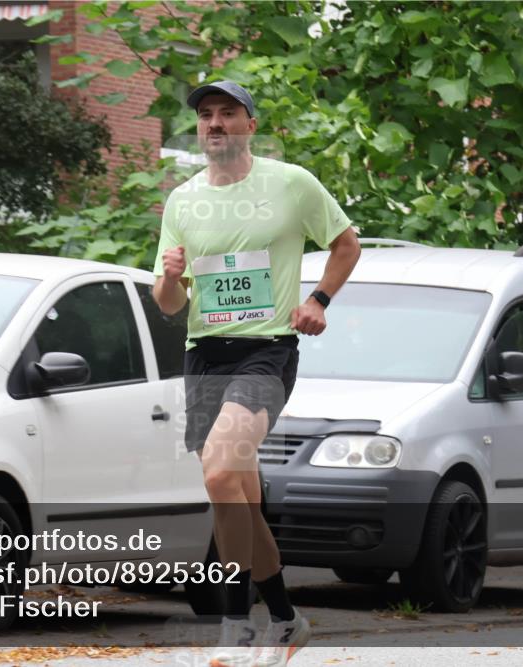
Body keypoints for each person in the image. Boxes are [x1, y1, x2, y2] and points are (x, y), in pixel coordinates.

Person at [152, 80, 361, 667]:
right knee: (239, 493)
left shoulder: (290, 183)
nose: (215, 123)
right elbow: (169, 303)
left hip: (266, 350)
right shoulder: (183, 200)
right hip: (204, 354)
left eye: (228, 114)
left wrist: (318, 299)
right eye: (206, 116)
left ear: (250, 123)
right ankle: (287, 621)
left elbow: (347, 244)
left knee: (221, 475)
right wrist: (170, 276)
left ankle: (236, 624)